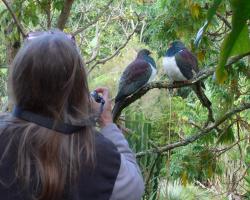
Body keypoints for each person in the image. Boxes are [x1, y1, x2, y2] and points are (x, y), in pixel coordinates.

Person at [0, 30, 144, 200]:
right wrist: (106, 121)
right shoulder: (101, 155)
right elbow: (135, 187)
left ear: (18, 81)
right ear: (79, 90)